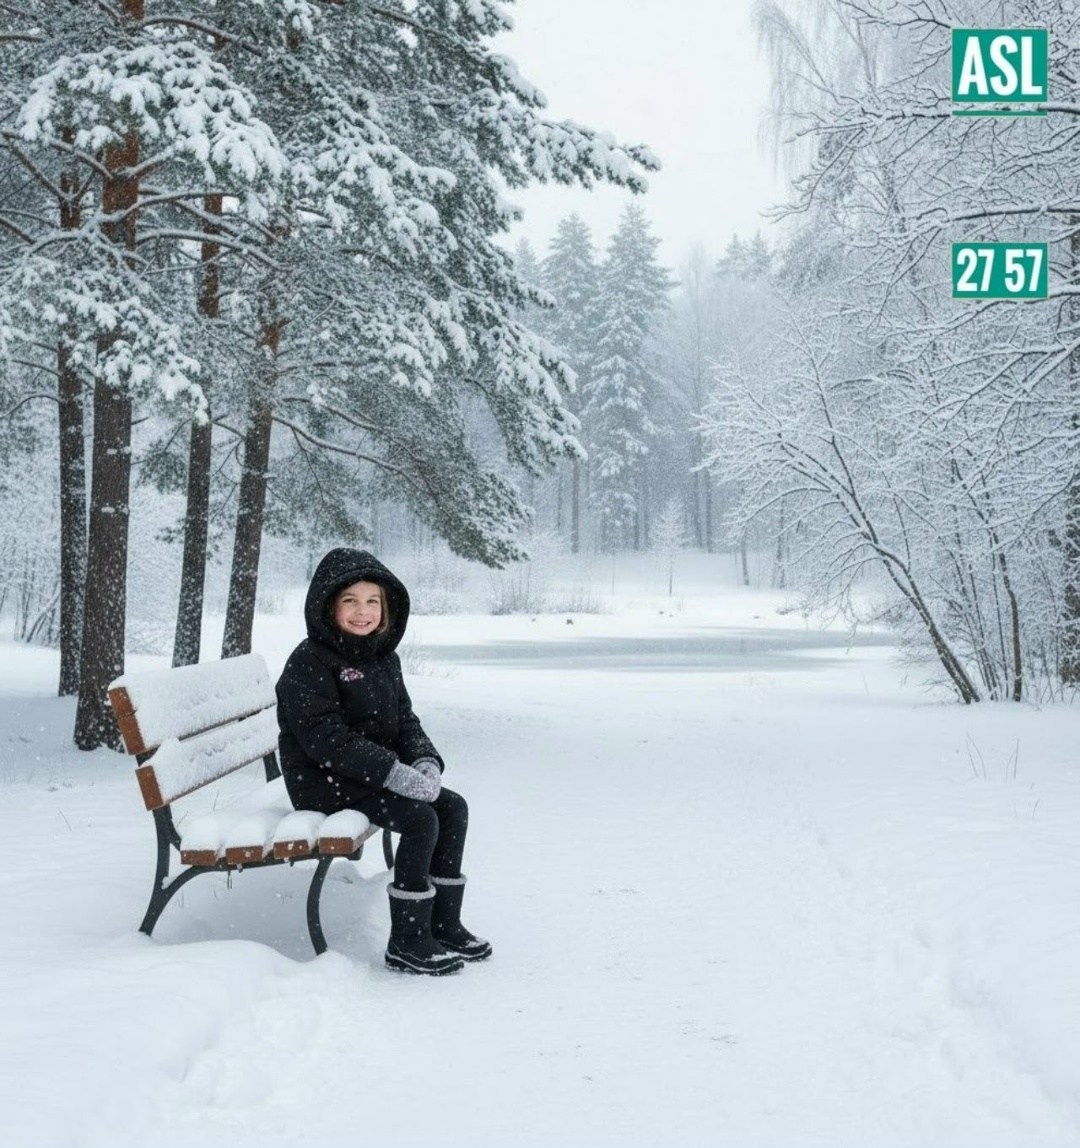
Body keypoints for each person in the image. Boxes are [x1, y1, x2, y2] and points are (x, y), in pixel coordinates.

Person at [275, 548, 490, 975]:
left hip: (365, 775)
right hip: (322, 782)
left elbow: (404, 720)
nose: (363, 612)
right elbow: (327, 742)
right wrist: (395, 775)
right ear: (328, 606)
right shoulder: (309, 663)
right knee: (419, 818)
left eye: (373, 601)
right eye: (350, 601)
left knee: (452, 806)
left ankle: (442, 925)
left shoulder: (382, 657)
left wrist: (424, 762)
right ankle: (407, 942)